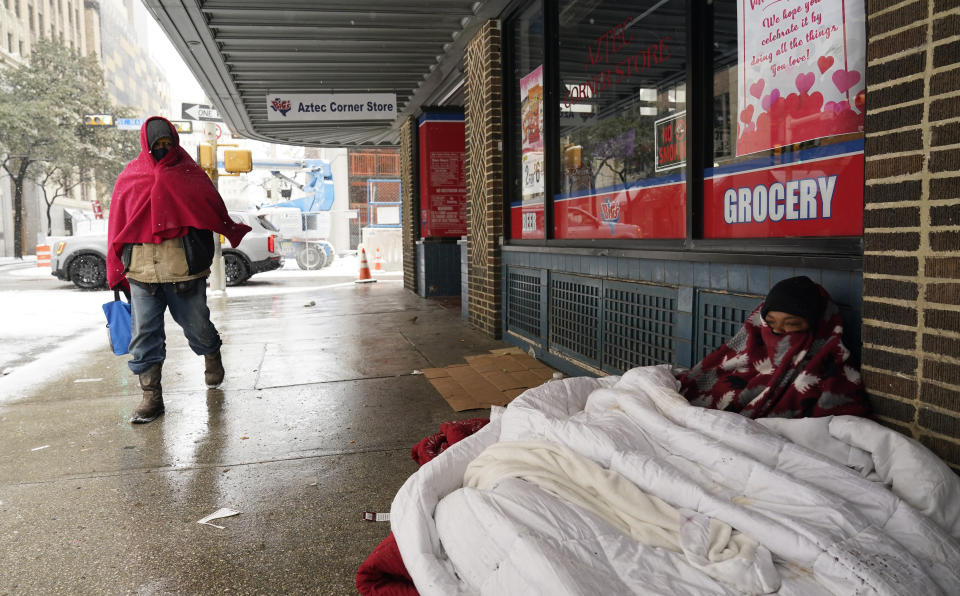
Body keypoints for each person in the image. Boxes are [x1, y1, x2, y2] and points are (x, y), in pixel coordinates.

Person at [107, 117, 251, 424]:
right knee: (144, 335)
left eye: (166, 144)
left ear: (174, 143)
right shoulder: (129, 177)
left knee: (197, 327)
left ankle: (211, 354)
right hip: (141, 271)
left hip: (183, 268)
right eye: (156, 145)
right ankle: (151, 398)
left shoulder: (190, 174)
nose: (162, 149)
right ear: (146, 145)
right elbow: (117, 226)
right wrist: (115, 269)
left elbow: (210, 208)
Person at [676, 276, 868, 418]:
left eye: (791, 324)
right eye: (771, 323)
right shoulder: (748, 349)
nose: (777, 331)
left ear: (815, 326)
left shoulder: (832, 369)